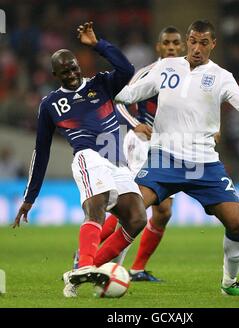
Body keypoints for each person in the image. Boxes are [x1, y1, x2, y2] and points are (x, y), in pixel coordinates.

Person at [115, 19, 239, 296]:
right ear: (187, 41)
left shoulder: (222, 76)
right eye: (193, 41)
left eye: (204, 43)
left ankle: (229, 283)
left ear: (213, 44)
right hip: (164, 158)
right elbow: (129, 94)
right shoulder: (167, 67)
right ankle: (97, 267)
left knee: (237, 223)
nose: (197, 48)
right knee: (132, 213)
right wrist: (105, 88)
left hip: (204, 163)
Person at [12, 22, 147, 298]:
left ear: (78, 65)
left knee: (137, 219)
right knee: (96, 207)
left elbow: (127, 70)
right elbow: (42, 151)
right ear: (55, 74)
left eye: (74, 67)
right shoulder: (51, 104)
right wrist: (30, 196)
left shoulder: (102, 84)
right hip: (87, 157)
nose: (72, 73)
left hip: (116, 161)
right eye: (65, 71)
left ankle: (82, 269)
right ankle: (85, 264)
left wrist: (98, 44)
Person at [98, 26, 185, 282]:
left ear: (181, 47)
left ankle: (136, 269)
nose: (171, 47)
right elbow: (118, 99)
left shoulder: (188, 76)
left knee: (163, 211)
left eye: (175, 43)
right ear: (159, 48)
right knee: (132, 207)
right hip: (141, 143)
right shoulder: (148, 72)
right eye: (166, 43)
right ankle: (86, 256)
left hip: (168, 146)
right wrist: (134, 124)